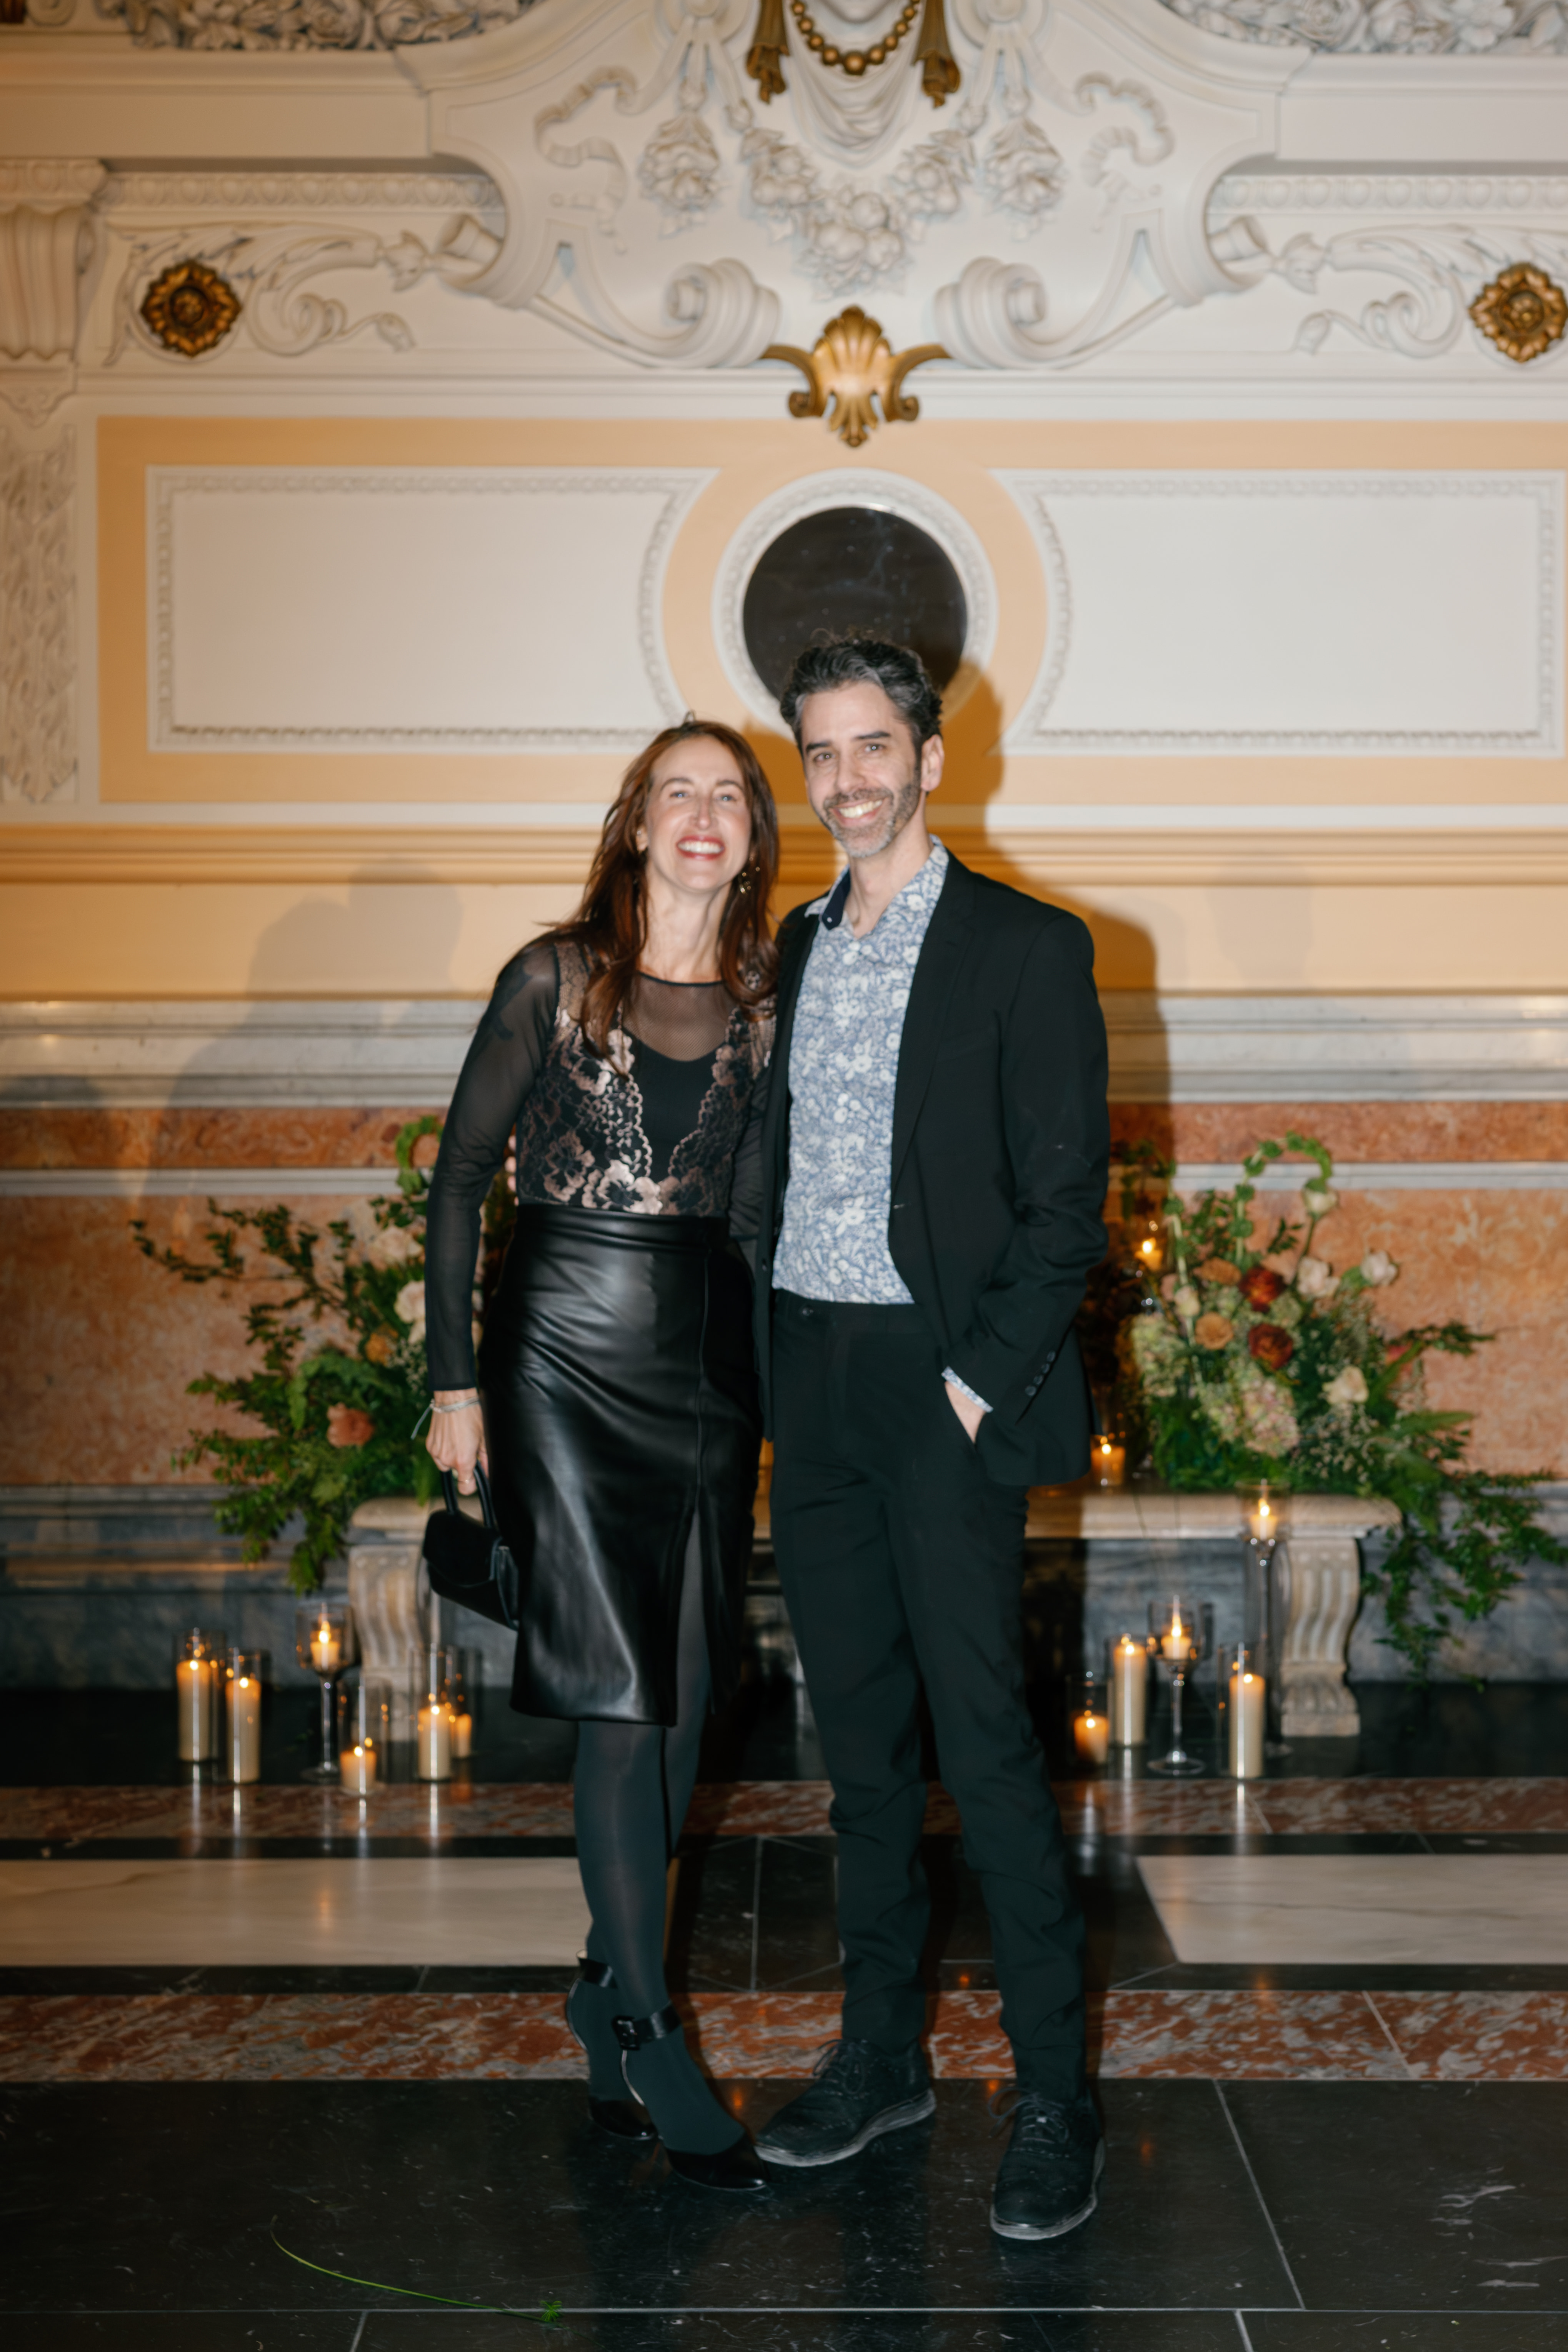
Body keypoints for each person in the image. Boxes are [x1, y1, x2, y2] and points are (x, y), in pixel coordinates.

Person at [748, 637, 1111, 2241]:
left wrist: (971, 1384)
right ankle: (883, 2057)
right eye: (822, 752)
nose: (848, 779)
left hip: (942, 1384)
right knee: (860, 1754)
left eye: (873, 745)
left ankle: (1055, 2096)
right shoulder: (791, 944)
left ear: (931, 757)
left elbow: (1067, 1201)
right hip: (811, 1380)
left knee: (988, 1747)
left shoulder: (1029, 947)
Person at [422, 718, 777, 2195]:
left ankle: (597, 1980)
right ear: (638, 823)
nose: (701, 814)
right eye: (676, 790)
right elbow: (458, 1180)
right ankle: (647, 2025)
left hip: (703, 1372)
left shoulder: (764, 1006)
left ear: (752, 836)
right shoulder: (554, 978)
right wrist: (454, 1382)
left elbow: (751, 1222)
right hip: (560, 1359)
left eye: (727, 795)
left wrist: (773, 1399)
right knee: (622, 1708)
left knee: (684, 1701)